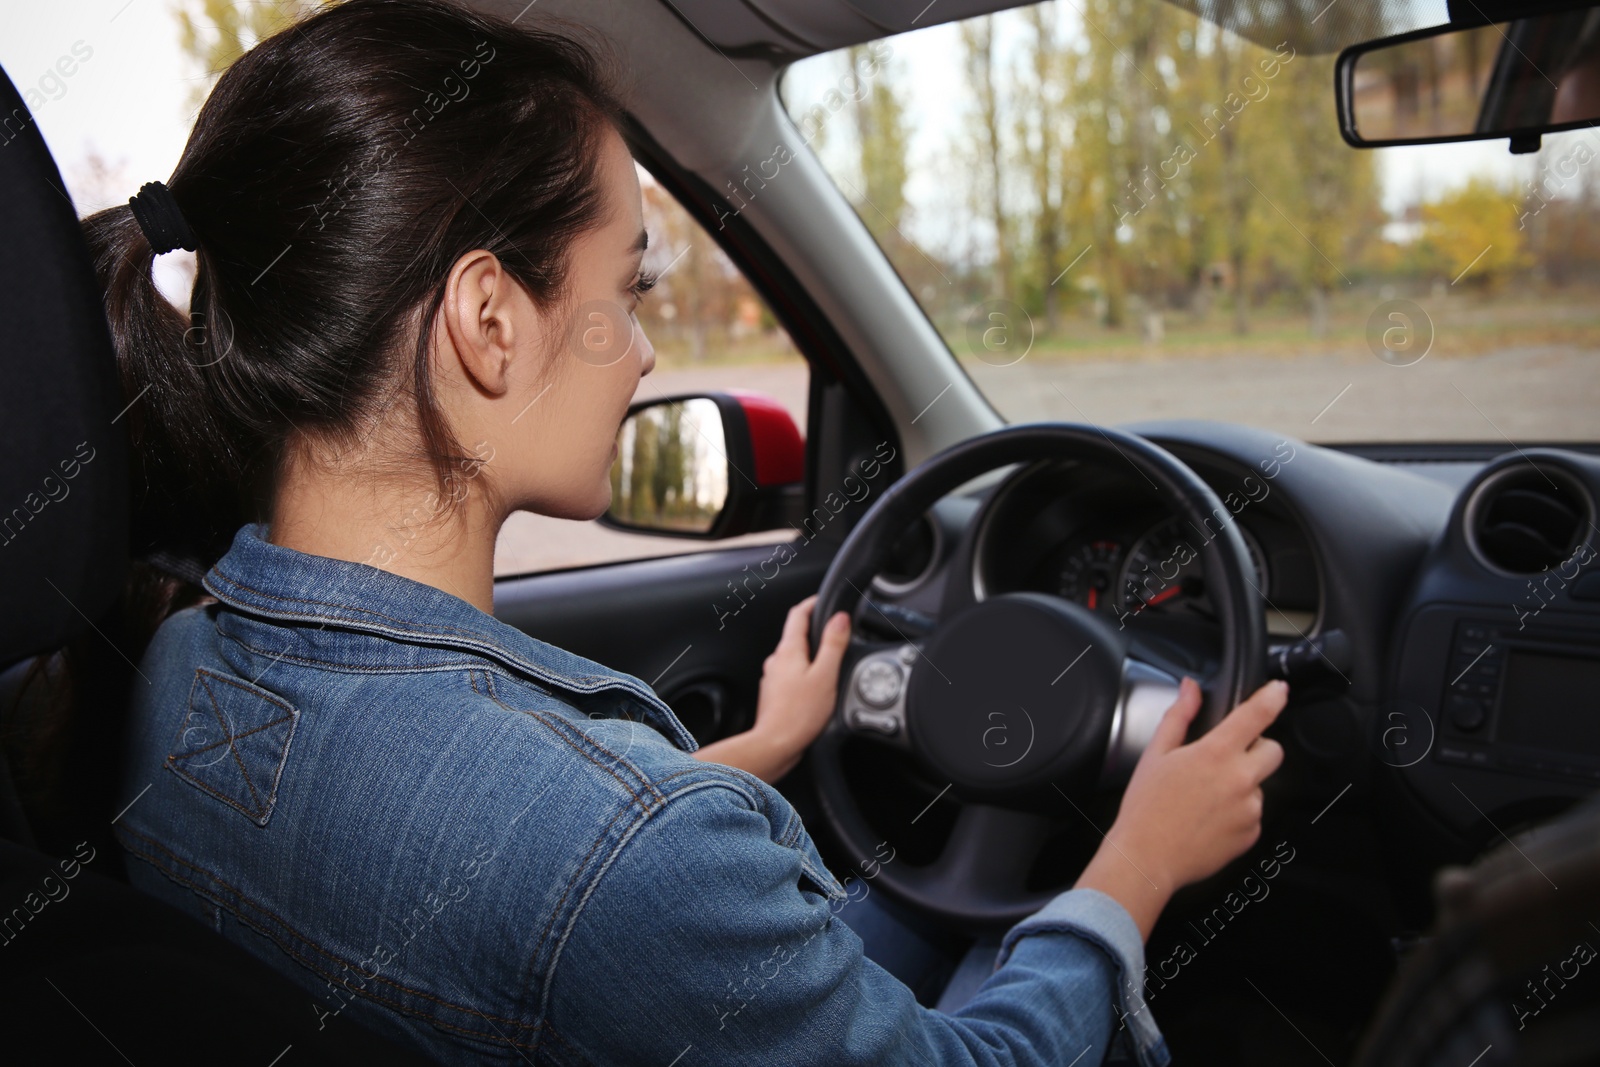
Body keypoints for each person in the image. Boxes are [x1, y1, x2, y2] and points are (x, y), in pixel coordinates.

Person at [87, 1, 1288, 1063]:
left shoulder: (176, 668)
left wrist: (763, 746)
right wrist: (1135, 865)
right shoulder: (626, 851)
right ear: (488, 320)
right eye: (627, 289)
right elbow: (589, 876)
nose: (646, 348)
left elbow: (519, 879)